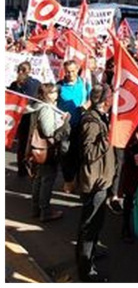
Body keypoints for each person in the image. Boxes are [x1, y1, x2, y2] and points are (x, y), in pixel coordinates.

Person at [76, 84, 116, 282]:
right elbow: (89, 152)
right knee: (89, 225)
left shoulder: (101, 117)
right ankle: (86, 271)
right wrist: (108, 139)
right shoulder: (91, 121)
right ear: (104, 100)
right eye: (111, 96)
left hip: (101, 179)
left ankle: (90, 254)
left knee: (95, 223)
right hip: (94, 182)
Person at [28, 83, 70, 222]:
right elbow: (48, 131)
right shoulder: (45, 108)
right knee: (46, 180)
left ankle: (36, 208)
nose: (55, 95)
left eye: (55, 92)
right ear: (45, 94)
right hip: (46, 149)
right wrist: (63, 122)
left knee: (39, 179)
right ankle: (44, 211)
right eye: (51, 92)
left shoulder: (38, 105)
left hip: (39, 149)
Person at [57, 59, 90, 189]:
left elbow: (91, 100)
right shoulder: (59, 86)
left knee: (78, 152)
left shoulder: (85, 84)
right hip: (65, 126)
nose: (70, 74)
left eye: (73, 71)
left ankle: (76, 177)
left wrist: (87, 105)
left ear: (77, 70)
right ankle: (68, 179)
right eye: (67, 72)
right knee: (65, 152)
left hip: (80, 124)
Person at [9, 61, 41, 177]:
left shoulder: (16, 84)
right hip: (31, 118)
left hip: (21, 118)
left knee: (22, 144)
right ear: (30, 71)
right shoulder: (35, 83)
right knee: (32, 143)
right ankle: (30, 168)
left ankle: (22, 169)